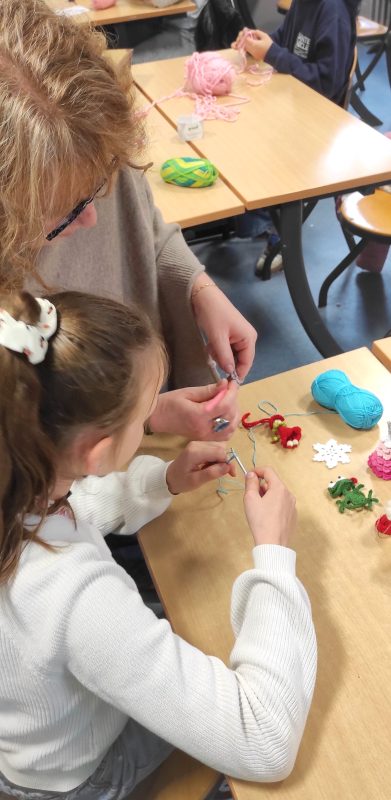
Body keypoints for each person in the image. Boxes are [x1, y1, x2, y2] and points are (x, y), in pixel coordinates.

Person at [0, 289, 316, 798]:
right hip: (82, 773)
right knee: (214, 636)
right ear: (96, 454)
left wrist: (162, 480)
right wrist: (275, 554)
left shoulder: (17, 485)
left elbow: (66, 517)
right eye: (147, 410)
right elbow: (264, 738)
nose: (154, 415)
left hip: (33, 733)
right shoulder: (74, 597)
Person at [0, 0, 257, 442]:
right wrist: (144, 420)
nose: (96, 216)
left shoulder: (85, 142)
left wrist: (198, 287)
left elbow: (145, 230)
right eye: (69, 212)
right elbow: (25, 458)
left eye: (105, 183)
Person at [232, 0, 360, 273]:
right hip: (293, 108)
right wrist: (259, 44)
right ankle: (256, 219)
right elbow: (283, 41)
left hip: (317, 127)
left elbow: (326, 84)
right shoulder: (304, 3)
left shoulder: (333, 12)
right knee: (237, 128)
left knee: (249, 143)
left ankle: (275, 228)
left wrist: (273, 54)